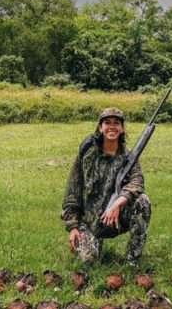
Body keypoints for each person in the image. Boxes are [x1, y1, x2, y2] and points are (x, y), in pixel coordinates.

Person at [61, 106, 151, 266]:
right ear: (100, 127)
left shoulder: (129, 157)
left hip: (116, 219)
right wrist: (73, 226)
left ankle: (132, 260)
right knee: (88, 261)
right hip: (91, 221)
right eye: (107, 122)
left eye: (116, 123)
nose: (111, 126)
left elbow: (137, 182)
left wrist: (118, 203)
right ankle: (92, 243)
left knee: (143, 201)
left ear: (122, 129)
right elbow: (73, 190)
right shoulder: (88, 154)